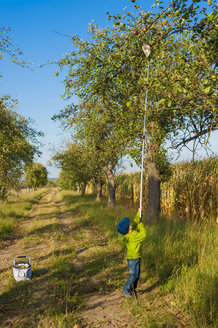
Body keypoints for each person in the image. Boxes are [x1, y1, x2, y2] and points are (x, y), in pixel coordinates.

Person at [117, 209, 146, 298]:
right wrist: (141, 226)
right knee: (133, 275)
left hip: (134, 257)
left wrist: (139, 213)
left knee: (136, 275)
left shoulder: (128, 233)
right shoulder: (133, 236)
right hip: (134, 258)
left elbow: (135, 221)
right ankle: (125, 290)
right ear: (128, 228)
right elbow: (143, 234)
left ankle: (132, 290)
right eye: (130, 223)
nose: (131, 223)